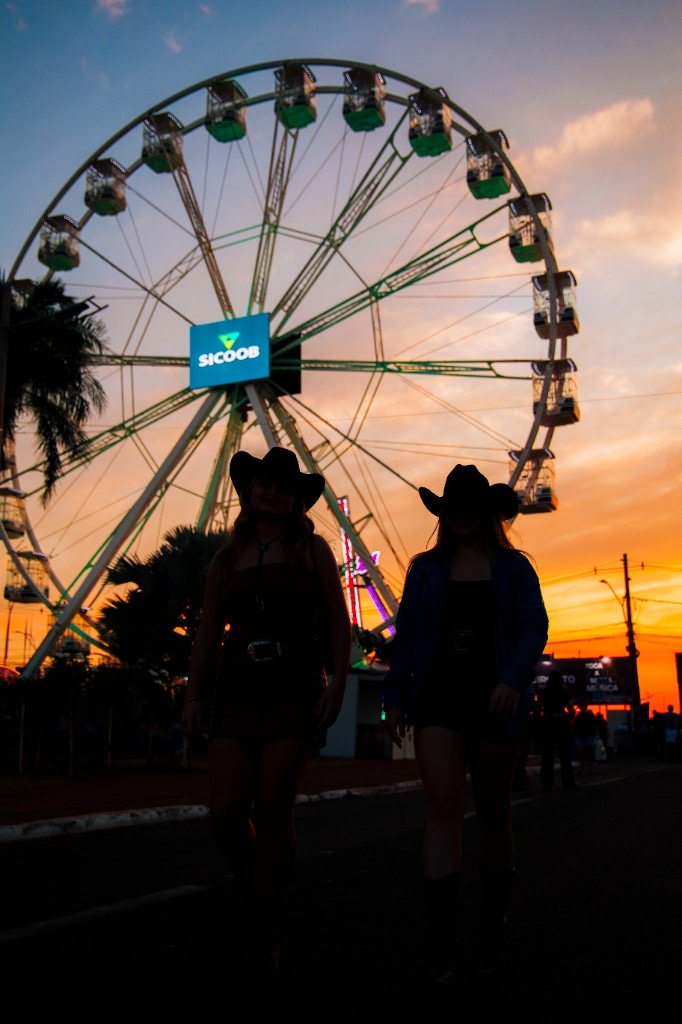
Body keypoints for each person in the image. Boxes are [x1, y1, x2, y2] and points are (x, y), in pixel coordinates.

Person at [181, 446, 351, 981]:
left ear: (298, 499)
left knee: (275, 808)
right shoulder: (225, 559)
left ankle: (263, 923)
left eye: (283, 483)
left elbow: (336, 619)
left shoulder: (313, 550)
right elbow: (209, 631)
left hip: (293, 684)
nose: (271, 489)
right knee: (227, 815)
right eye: (262, 482)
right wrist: (193, 693)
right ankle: (259, 882)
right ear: (248, 493)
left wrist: (339, 679)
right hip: (236, 688)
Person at [384, 464, 548, 983]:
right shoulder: (425, 570)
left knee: (495, 811)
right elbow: (406, 635)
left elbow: (533, 625)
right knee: (444, 803)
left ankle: (492, 931)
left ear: (486, 512)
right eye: (451, 506)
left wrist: (513, 679)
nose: (459, 514)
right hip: (438, 697)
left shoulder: (514, 568)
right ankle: (441, 943)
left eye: (469, 506)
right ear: (443, 511)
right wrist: (395, 696)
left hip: (495, 699)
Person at [538, 670, 577, 792]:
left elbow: (537, 709)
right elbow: (571, 710)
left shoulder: (543, 693)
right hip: (561, 724)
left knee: (547, 756)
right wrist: (568, 718)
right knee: (565, 755)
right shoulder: (564, 693)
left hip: (547, 725)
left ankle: (546, 784)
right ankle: (568, 782)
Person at [573, 699, 599, 773]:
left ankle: (586, 766)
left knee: (587, 750)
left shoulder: (585, 715)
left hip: (587, 734)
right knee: (586, 750)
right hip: (585, 734)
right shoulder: (582, 715)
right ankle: (586, 766)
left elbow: (595, 724)